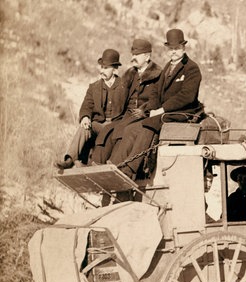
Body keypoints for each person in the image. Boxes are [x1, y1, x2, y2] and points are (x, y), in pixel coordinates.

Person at [112, 28, 203, 179]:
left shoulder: (191, 68)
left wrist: (162, 109)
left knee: (150, 123)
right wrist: (153, 107)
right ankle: (115, 166)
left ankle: (130, 169)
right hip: (163, 112)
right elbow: (155, 92)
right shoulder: (167, 67)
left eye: (177, 48)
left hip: (183, 113)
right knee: (131, 128)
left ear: (183, 48)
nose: (173, 52)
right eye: (170, 49)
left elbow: (186, 96)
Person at [93, 38, 162, 164]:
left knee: (124, 130)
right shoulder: (130, 74)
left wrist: (144, 110)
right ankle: (96, 163)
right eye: (133, 54)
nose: (133, 57)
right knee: (108, 130)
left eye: (137, 55)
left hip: (144, 116)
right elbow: (120, 98)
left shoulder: (157, 74)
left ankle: (113, 163)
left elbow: (157, 99)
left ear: (147, 56)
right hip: (127, 115)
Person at [55, 49, 124, 169]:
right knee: (84, 128)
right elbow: (86, 105)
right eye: (101, 67)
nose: (102, 71)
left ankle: (95, 163)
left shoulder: (124, 86)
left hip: (115, 125)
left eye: (106, 68)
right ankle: (70, 159)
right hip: (98, 124)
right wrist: (85, 117)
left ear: (115, 69)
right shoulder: (94, 87)